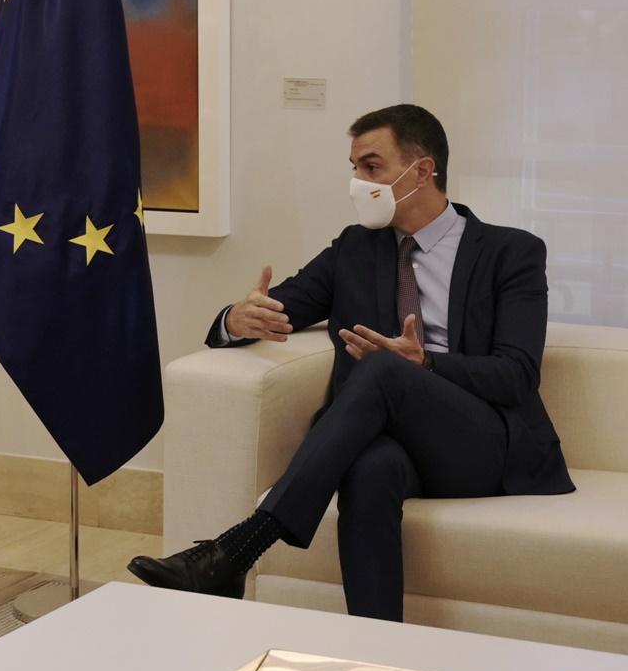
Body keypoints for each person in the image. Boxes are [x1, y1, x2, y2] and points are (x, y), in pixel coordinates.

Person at [128, 104, 576, 622]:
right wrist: (237, 318)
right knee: (368, 467)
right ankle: (375, 650)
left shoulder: (512, 252)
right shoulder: (354, 249)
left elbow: (517, 374)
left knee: (386, 368)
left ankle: (237, 549)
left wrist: (426, 363)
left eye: (371, 167)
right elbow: (281, 307)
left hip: (480, 442)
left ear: (423, 171)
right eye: (354, 167)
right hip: (394, 443)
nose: (357, 182)